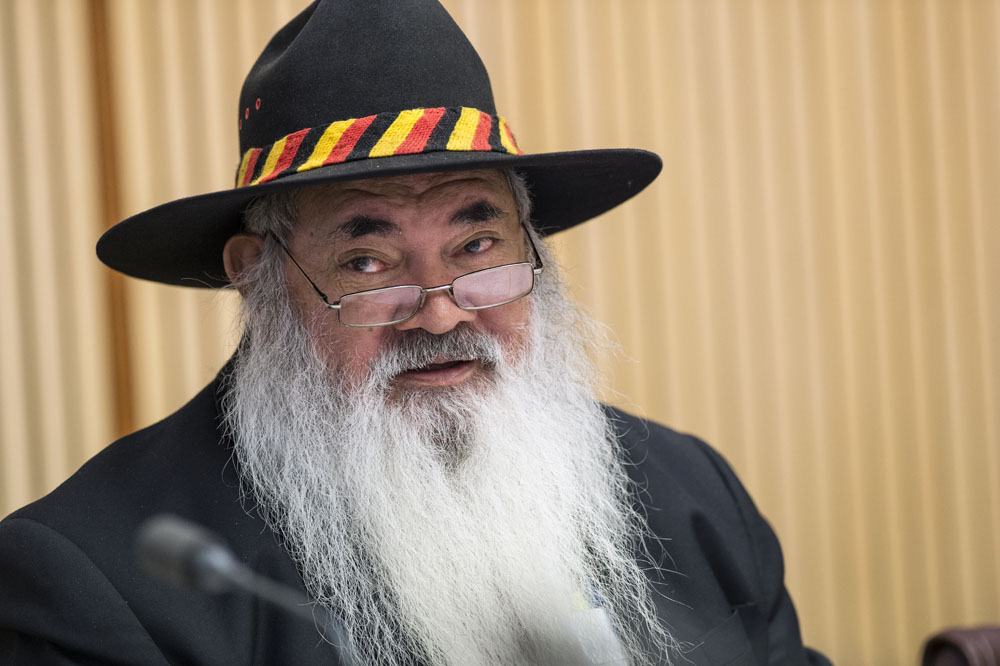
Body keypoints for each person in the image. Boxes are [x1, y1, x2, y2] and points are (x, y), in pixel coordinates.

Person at [0, 1, 830, 664]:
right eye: (367, 262)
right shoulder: (96, 579)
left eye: (478, 246)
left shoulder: (693, 495)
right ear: (257, 275)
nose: (441, 313)